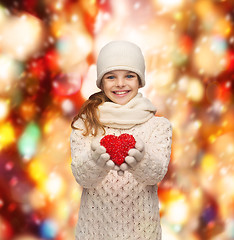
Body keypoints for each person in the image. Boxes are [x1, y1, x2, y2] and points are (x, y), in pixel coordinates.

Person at [70, 40, 172, 240]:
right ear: (101, 82)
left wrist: (141, 160)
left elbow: (155, 174)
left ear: (140, 80)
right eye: (111, 76)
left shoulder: (158, 126)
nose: (120, 83)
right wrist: (95, 160)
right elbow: (82, 177)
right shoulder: (86, 124)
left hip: (142, 233)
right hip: (95, 232)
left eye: (129, 75)